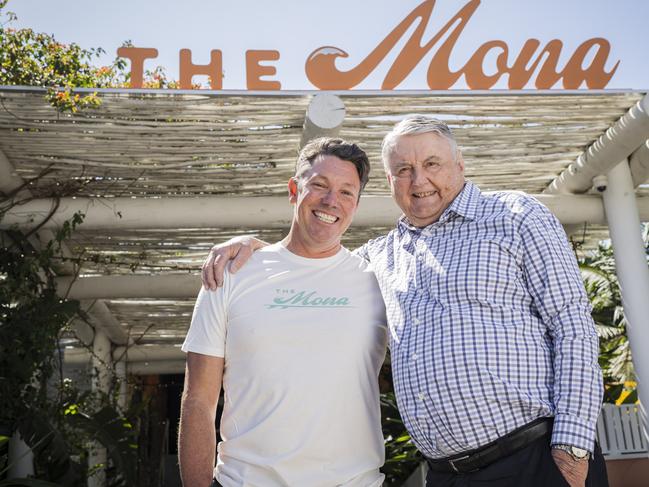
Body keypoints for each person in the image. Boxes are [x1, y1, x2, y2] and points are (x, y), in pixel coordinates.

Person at [201, 116, 608, 487]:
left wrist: (572, 449)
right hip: (445, 474)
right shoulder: (377, 259)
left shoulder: (517, 217)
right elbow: (311, 257)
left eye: (432, 164)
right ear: (390, 182)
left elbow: (572, 326)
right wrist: (257, 248)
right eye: (403, 170)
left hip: (534, 460)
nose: (419, 180)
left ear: (459, 165)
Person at [178, 137, 388, 487]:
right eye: (318, 185)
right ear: (294, 189)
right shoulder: (231, 273)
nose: (331, 200)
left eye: (346, 191)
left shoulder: (378, 280)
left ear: (356, 203)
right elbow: (198, 399)